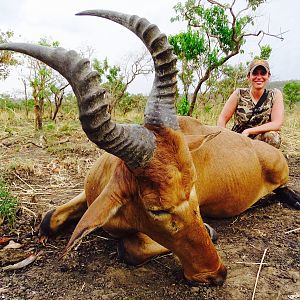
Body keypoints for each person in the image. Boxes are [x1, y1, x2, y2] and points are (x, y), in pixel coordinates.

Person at [217, 59, 284, 148]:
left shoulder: (275, 95)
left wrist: (249, 131)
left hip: (260, 142)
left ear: (268, 76)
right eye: (255, 73)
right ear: (248, 76)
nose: (259, 77)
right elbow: (222, 118)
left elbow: (277, 123)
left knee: (273, 137)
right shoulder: (239, 94)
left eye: (263, 73)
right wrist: (224, 138)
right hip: (239, 140)